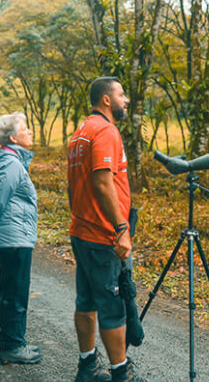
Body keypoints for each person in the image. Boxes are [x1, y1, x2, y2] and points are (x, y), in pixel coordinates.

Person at [67, 77, 145, 382]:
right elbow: (102, 182)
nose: (126, 100)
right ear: (107, 100)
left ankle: (87, 366)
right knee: (112, 306)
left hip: (82, 230)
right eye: (122, 94)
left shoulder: (80, 133)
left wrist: (80, 218)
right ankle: (120, 372)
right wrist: (121, 228)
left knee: (85, 300)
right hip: (102, 236)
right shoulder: (106, 131)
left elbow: (72, 187)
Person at [0, 112, 42, 365]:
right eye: (26, 128)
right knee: (15, 293)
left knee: (15, 292)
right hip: (15, 239)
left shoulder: (12, 161)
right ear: (13, 137)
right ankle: (11, 347)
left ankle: (15, 342)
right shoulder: (12, 164)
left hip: (17, 236)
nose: (30, 132)